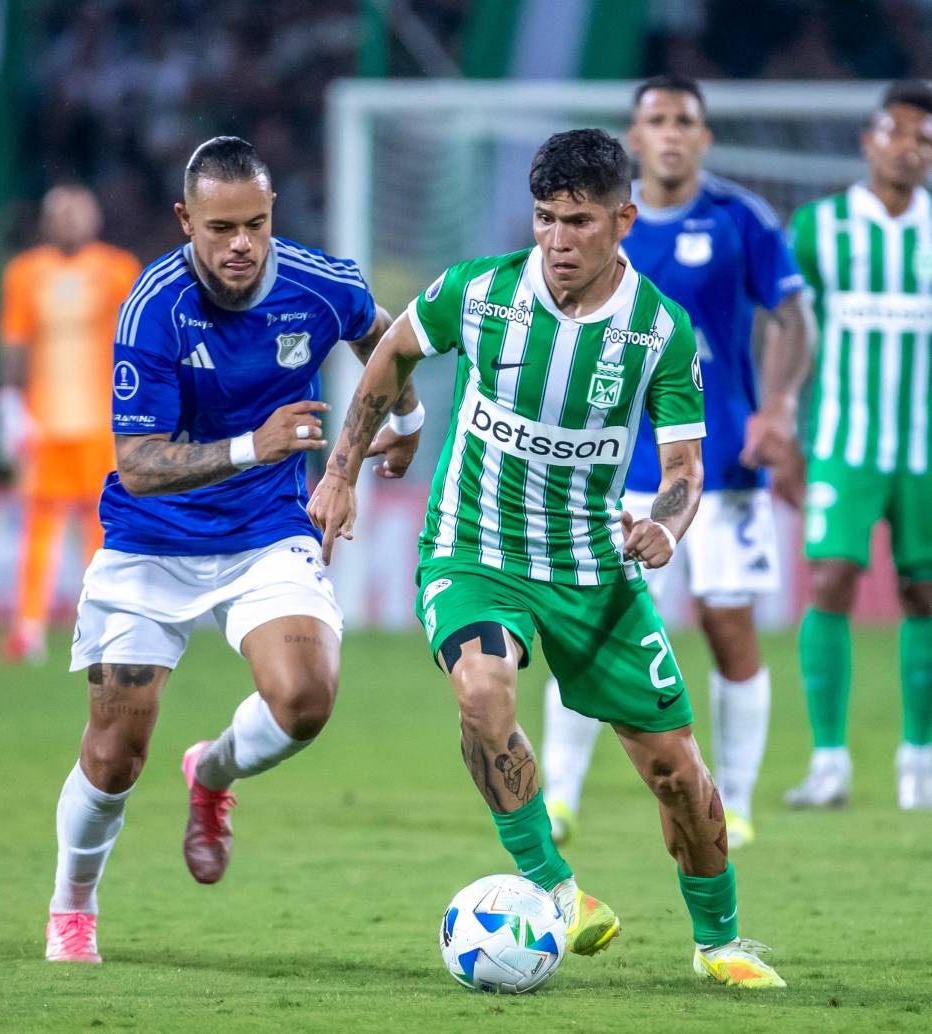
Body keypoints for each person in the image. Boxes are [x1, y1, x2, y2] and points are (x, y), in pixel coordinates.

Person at [310, 129, 786, 988]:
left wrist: (666, 529)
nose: (557, 241)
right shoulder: (482, 291)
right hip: (473, 546)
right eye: (544, 219)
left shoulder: (658, 334)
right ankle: (554, 890)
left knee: (675, 770)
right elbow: (392, 353)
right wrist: (344, 469)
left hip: (593, 569)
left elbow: (683, 472)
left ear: (623, 221)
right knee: (483, 694)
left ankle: (719, 942)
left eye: (578, 221)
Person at [44, 137, 422, 964]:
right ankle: (73, 905)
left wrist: (406, 422)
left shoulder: (322, 284)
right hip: (153, 544)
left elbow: (387, 339)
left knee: (306, 700)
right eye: (221, 228)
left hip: (266, 532)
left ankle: (211, 775)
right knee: (114, 755)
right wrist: (257, 443)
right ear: (187, 221)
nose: (241, 244)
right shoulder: (154, 305)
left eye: (255, 223)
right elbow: (139, 467)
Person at [540, 76, 814, 850]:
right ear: (634, 133)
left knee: (729, 629)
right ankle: (560, 796)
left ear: (704, 137)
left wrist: (780, 408)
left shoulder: (740, 219)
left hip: (720, 463)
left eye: (683, 121)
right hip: (611, 466)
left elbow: (793, 315)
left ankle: (740, 798)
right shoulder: (600, 225)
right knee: (589, 626)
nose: (669, 132)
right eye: (655, 119)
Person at [785, 80, 932, 810]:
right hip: (844, 441)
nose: (911, 148)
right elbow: (787, 326)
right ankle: (830, 761)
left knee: (923, 593)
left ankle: (920, 761)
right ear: (869, 140)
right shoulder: (820, 227)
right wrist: (777, 418)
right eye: (898, 133)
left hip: (926, 450)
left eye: (924, 139)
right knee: (832, 579)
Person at [0, 185, 141, 663]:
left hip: (102, 423)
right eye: (60, 213)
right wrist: (9, 402)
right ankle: (28, 628)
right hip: (45, 423)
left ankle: (102, 622)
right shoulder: (24, 273)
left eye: (78, 213)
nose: (70, 222)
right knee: (39, 528)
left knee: (103, 527)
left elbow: (137, 342)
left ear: (94, 219)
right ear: (46, 220)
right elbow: (14, 341)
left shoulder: (119, 270)